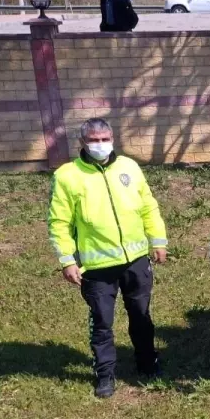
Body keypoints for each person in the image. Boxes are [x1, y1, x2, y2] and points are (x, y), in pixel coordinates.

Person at [48, 118, 166, 398]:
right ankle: (105, 374)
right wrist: (67, 260)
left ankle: (147, 364)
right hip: (97, 268)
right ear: (83, 143)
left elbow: (148, 205)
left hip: (135, 259)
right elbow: (59, 222)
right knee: (102, 321)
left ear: (113, 139)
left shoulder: (129, 167)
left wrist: (158, 241)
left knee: (141, 315)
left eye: (105, 139)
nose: (100, 145)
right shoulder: (67, 176)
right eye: (94, 140)